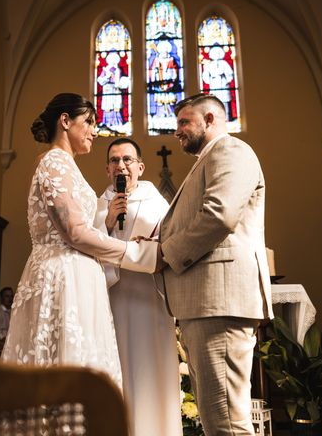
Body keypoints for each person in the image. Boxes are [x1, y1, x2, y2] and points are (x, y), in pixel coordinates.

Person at [2, 93, 158, 388]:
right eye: (88, 122)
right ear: (65, 121)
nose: (94, 131)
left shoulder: (67, 165)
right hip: (63, 275)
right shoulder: (54, 161)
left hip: (79, 274)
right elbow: (74, 232)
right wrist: (134, 252)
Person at [156, 93, 273, 435]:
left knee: (226, 421)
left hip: (219, 302)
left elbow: (219, 215)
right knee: (215, 416)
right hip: (206, 303)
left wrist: (165, 255)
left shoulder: (230, 151)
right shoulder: (207, 159)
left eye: (183, 122)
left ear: (209, 119)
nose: (176, 132)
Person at [93, 138, 181, 436]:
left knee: (149, 371)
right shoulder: (97, 205)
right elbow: (84, 250)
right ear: (107, 169)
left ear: (140, 167)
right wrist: (106, 223)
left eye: (127, 159)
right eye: (115, 160)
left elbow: (169, 246)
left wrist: (136, 250)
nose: (121, 165)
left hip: (148, 299)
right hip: (111, 299)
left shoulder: (159, 204)